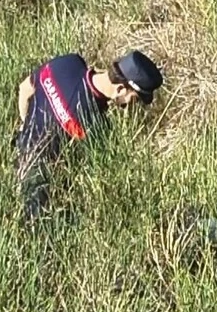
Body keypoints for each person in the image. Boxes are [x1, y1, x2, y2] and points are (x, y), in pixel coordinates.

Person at [13, 50, 164, 224]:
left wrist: (27, 127)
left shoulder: (68, 63)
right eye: (135, 99)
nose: (132, 106)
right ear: (120, 88)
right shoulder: (94, 125)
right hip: (40, 190)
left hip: (19, 151)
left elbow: (25, 88)